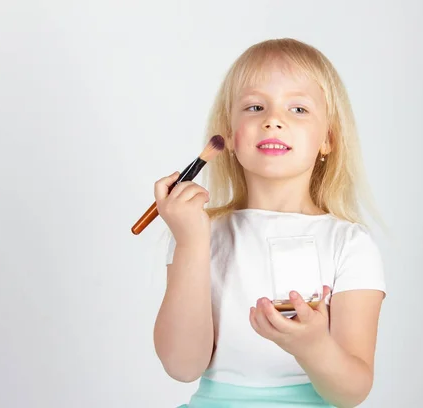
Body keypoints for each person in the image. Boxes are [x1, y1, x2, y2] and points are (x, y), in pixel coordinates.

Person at [152, 38, 387, 408]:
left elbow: (353, 391)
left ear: (328, 139)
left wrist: (313, 346)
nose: (273, 119)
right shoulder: (198, 232)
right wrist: (190, 243)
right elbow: (182, 365)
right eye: (255, 106)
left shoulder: (350, 244)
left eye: (298, 108)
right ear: (228, 135)